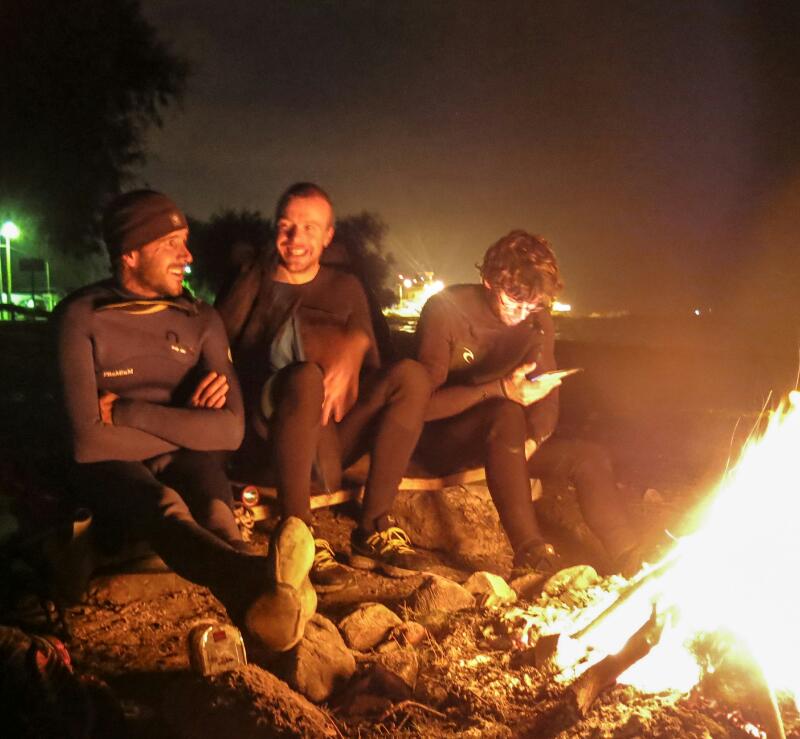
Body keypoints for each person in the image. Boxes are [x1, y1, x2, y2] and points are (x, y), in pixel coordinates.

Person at [54, 189, 316, 654]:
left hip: (175, 450)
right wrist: (189, 421)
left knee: (219, 517)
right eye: (171, 243)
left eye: (186, 241)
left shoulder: (201, 318)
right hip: (111, 466)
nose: (187, 255)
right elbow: (87, 444)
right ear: (130, 253)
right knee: (164, 505)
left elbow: (229, 431)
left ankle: (266, 612)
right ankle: (270, 592)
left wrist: (130, 412)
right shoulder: (81, 317)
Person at [216, 182, 432, 587]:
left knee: (410, 377)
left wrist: (357, 343)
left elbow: (373, 364)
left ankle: (374, 525)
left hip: (333, 438)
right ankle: (298, 534)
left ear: (328, 235)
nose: (296, 239)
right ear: (274, 228)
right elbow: (213, 347)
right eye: (287, 226)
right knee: (305, 377)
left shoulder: (345, 287)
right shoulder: (251, 281)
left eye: (310, 228)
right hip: (268, 438)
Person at [413, 230, 643, 577]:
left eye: (532, 305)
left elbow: (548, 395)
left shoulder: (536, 321)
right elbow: (422, 407)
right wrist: (501, 389)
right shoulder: (447, 310)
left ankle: (631, 557)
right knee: (505, 412)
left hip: (504, 445)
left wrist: (535, 439)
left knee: (588, 456)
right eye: (513, 301)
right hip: (441, 440)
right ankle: (531, 552)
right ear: (489, 280)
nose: (522, 313)